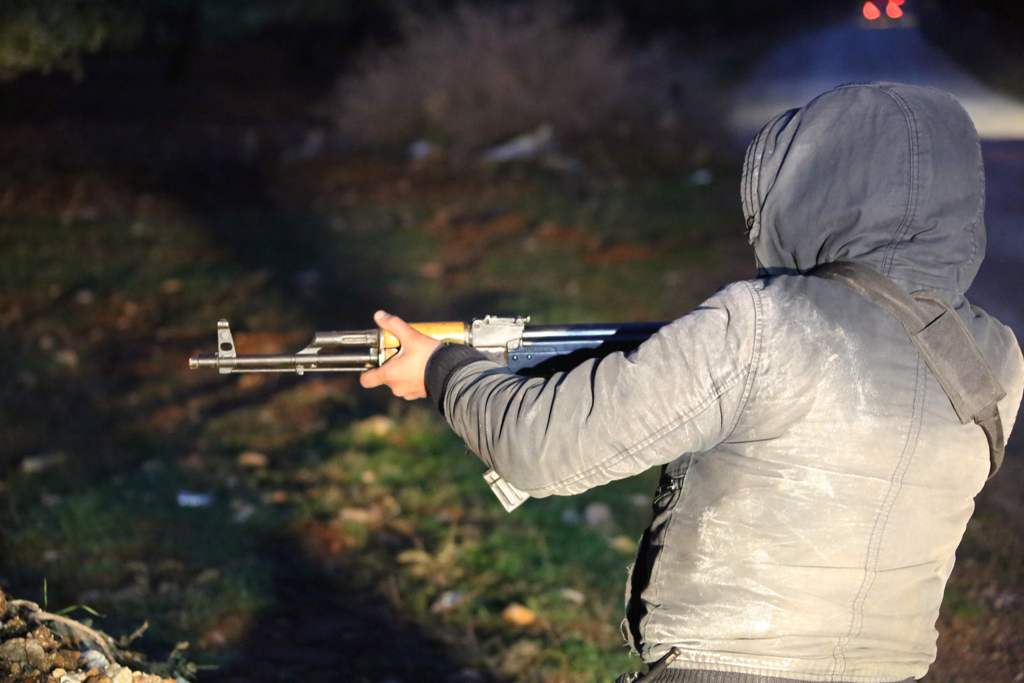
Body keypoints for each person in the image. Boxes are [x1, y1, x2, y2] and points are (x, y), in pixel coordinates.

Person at [359, 82, 1024, 682]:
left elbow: (538, 447)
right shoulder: (994, 356)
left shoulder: (764, 326)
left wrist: (441, 370)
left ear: (811, 190)